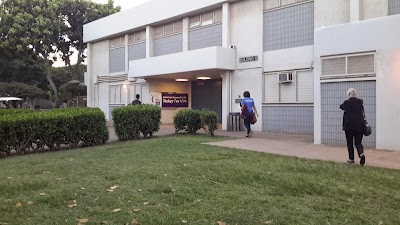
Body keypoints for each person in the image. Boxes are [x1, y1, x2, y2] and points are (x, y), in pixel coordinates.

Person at [340, 88, 366, 165]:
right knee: (358, 142)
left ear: (348, 94)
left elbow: (341, 107)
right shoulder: (360, 102)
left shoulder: (347, 102)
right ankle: (361, 154)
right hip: (359, 126)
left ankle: (351, 159)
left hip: (349, 127)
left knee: (350, 143)